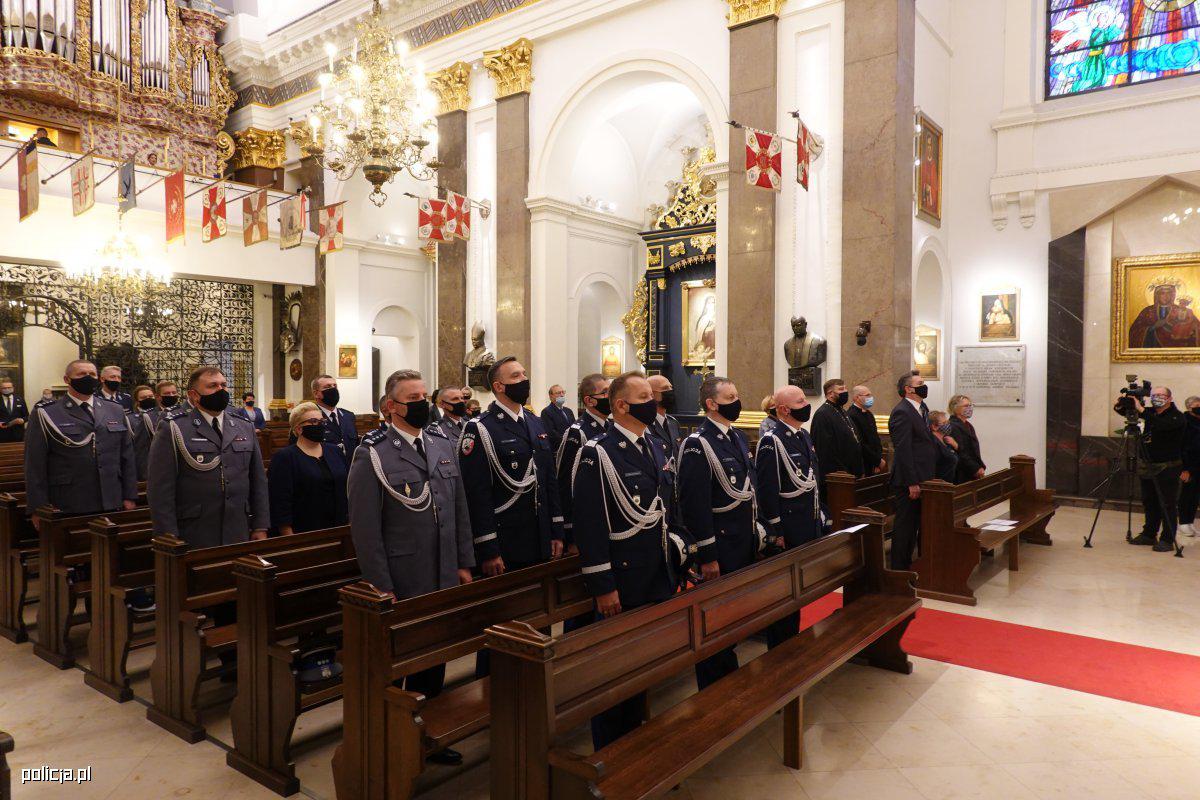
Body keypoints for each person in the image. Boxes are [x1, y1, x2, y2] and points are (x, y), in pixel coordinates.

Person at [348, 369, 474, 764]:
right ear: (391, 406)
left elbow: (458, 508)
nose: (422, 404)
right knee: (399, 664)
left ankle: (427, 733)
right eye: (413, 398)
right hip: (404, 574)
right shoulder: (373, 453)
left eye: (424, 396)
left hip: (443, 569)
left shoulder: (439, 443)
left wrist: (463, 562)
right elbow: (366, 530)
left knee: (435, 655)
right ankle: (392, 741)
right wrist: (380, 585)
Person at [572, 371, 690, 749]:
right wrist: (603, 586)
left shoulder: (653, 444)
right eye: (644, 398)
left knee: (641, 666)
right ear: (621, 405)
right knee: (612, 673)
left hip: (655, 571)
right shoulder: (597, 453)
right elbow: (590, 525)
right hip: (623, 578)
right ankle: (610, 749)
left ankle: (635, 741)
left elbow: (668, 506)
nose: (652, 404)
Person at [677, 375, 756, 689]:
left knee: (732, 616)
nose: (737, 402)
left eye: (736, 395)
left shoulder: (737, 437)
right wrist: (708, 555)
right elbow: (695, 505)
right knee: (715, 622)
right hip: (720, 545)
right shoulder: (698, 444)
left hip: (741, 541)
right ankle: (714, 687)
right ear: (711, 404)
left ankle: (729, 676)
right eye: (730, 397)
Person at [459, 356, 564, 576]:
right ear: (499, 386)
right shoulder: (480, 428)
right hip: (507, 540)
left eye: (524, 374)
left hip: (541, 535)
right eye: (516, 376)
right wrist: (488, 548)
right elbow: (477, 494)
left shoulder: (535, 422)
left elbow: (548, 480)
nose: (524, 379)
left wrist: (556, 530)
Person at [147, 366, 269, 547]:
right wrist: (167, 536)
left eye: (223, 385)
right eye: (212, 386)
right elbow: (160, 489)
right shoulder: (173, 427)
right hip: (195, 531)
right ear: (194, 395)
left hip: (238, 528)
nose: (221, 390)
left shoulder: (244, 426)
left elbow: (258, 480)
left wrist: (260, 525)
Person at [24, 359, 138, 529]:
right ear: (67, 379)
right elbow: (34, 464)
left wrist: (130, 496)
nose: (88, 377)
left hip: (111, 498)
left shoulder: (114, 409)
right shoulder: (47, 413)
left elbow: (127, 457)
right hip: (69, 501)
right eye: (81, 374)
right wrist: (38, 507)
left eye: (92, 374)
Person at [756, 385, 822, 649]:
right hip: (788, 527)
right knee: (785, 593)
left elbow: (812, 480)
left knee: (798, 589)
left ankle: (792, 641)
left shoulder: (802, 435)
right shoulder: (772, 441)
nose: (806, 405)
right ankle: (781, 647)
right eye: (800, 402)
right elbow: (767, 490)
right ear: (783, 409)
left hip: (806, 523)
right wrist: (776, 530)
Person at [268, 402, 349, 535]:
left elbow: (347, 487)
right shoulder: (285, 457)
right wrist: (288, 537)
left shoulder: (335, 451)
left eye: (322, 421)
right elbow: (280, 502)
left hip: (339, 528)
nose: (320, 425)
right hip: (304, 531)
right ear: (299, 429)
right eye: (314, 421)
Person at [1126, 385, 1186, 552]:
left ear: (1169, 398)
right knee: (1149, 501)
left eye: (1160, 395)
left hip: (1168, 467)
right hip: (1148, 465)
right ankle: (1149, 534)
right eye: (1153, 395)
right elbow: (1129, 413)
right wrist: (1123, 404)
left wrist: (1142, 410)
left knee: (1167, 503)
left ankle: (1167, 539)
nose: (1156, 398)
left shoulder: (1177, 417)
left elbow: (1162, 425)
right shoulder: (1151, 412)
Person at [888, 371, 938, 570]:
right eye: (920, 383)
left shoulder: (922, 408)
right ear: (908, 389)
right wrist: (912, 482)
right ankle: (899, 569)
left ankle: (913, 564)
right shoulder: (902, 412)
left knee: (917, 523)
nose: (924, 386)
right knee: (906, 527)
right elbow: (903, 450)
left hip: (924, 475)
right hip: (909, 480)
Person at [555, 374, 610, 543]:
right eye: (605, 392)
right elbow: (566, 482)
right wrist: (569, 530)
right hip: (587, 518)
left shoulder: (611, 426)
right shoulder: (578, 432)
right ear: (589, 400)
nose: (610, 396)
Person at [811, 378, 865, 499]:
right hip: (838, 478)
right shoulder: (822, 414)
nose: (845, 391)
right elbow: (825, 450)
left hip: (851, 473)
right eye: (841, 389)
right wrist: (842, 474)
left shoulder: (841, 410)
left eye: (845, 388)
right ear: (830, 394)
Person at [312, 374, 360, 458]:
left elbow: (355, 445)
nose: (333, 389)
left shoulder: (348, 416)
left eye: (335, 386)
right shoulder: (311, 419)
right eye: (327, 387)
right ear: (316, 394)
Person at [847, 385, 885, 475]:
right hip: (863, 462)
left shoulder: (868, 413)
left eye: (870, 395)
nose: (870, 398)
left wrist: (878, 458)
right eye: (867, 395)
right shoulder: (852, 415)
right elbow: (860, 442)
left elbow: (875, 437)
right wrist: (877, 461)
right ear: (857, 398)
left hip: (874, 461)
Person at [947, 394, 985, 484]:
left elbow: (973, 450)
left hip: (971, 471)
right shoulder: (953, 426)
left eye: (970, 405)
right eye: (966, 406)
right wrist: (975, 468)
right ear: (955, 408)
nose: (970, 408)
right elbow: (960, 451)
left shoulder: (968, 425)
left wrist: (980, 466)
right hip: (961, 473)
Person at [647, 374, 683, 462]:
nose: (670, 391)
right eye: (665, 388)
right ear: (651, 394)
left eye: (671, 387)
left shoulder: (673, 422)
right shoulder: (645, 424)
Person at [1179, 396, 1200, 537]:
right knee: (1187, 493)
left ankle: (1190, 522)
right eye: (1197, 405)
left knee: (1196, 495)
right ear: (1189, 407)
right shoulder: (1184, 421)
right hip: (1189, 464)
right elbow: (1182, 446)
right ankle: (1183, 523)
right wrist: (1184, 469)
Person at [128, 384, 157, 481]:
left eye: (150, 396)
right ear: (137, 401)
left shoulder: (161, 415)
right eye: (144, 398)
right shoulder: (130, 419)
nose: (148, 399)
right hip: (143, 464)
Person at [539, 384, 576, 452]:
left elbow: (574, 428)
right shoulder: (546, 412)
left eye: (563, 392)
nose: (562, 395)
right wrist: (567, 443)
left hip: (572, 447)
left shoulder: (568, 411)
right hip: (558, 449)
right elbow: (551, 433)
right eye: (558, 393)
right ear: (551, 396)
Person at [928, 410, 959, 483]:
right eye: (944, 423)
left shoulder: (946, 440)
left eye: (947, 422)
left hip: (949, 483)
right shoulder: (932, 442)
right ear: (934, 426)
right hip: (938, 485)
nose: (948, 425)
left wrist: (955, 445)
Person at [0, 377, 28, 443]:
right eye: (4, 388)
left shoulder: (20, 399)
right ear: (0, 389)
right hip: (2, 434)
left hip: (18, 434)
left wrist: (22, 420)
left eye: (9, 387)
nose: (7, 389)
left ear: (13, 388)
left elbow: (27, 416)